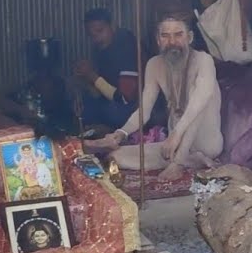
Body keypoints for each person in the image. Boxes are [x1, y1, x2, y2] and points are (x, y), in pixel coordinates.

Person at [87, 14, 223, 181]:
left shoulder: (204, 61)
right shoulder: (154, 64)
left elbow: (199, 101)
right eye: (165, 36)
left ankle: (180, 163)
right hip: (174, 144)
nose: (172, 42)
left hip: (205, 143)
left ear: (189, 38)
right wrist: (121, 133)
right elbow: (144, 110)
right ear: (158, 40)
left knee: (199, 100)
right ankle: (192, 160)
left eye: (178, 35)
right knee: (116, 157)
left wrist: (176, 134)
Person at [75, 8, 141, 129]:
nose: (97, 38)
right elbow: (100, 92)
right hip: (114, 103)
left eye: (100, 31)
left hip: (136, 108)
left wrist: (92, 75)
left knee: (113, 111)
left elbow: (124, 98)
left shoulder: (126, 47)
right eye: (92, 35)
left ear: (113, 26)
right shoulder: (101, 49)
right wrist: (85, 81)